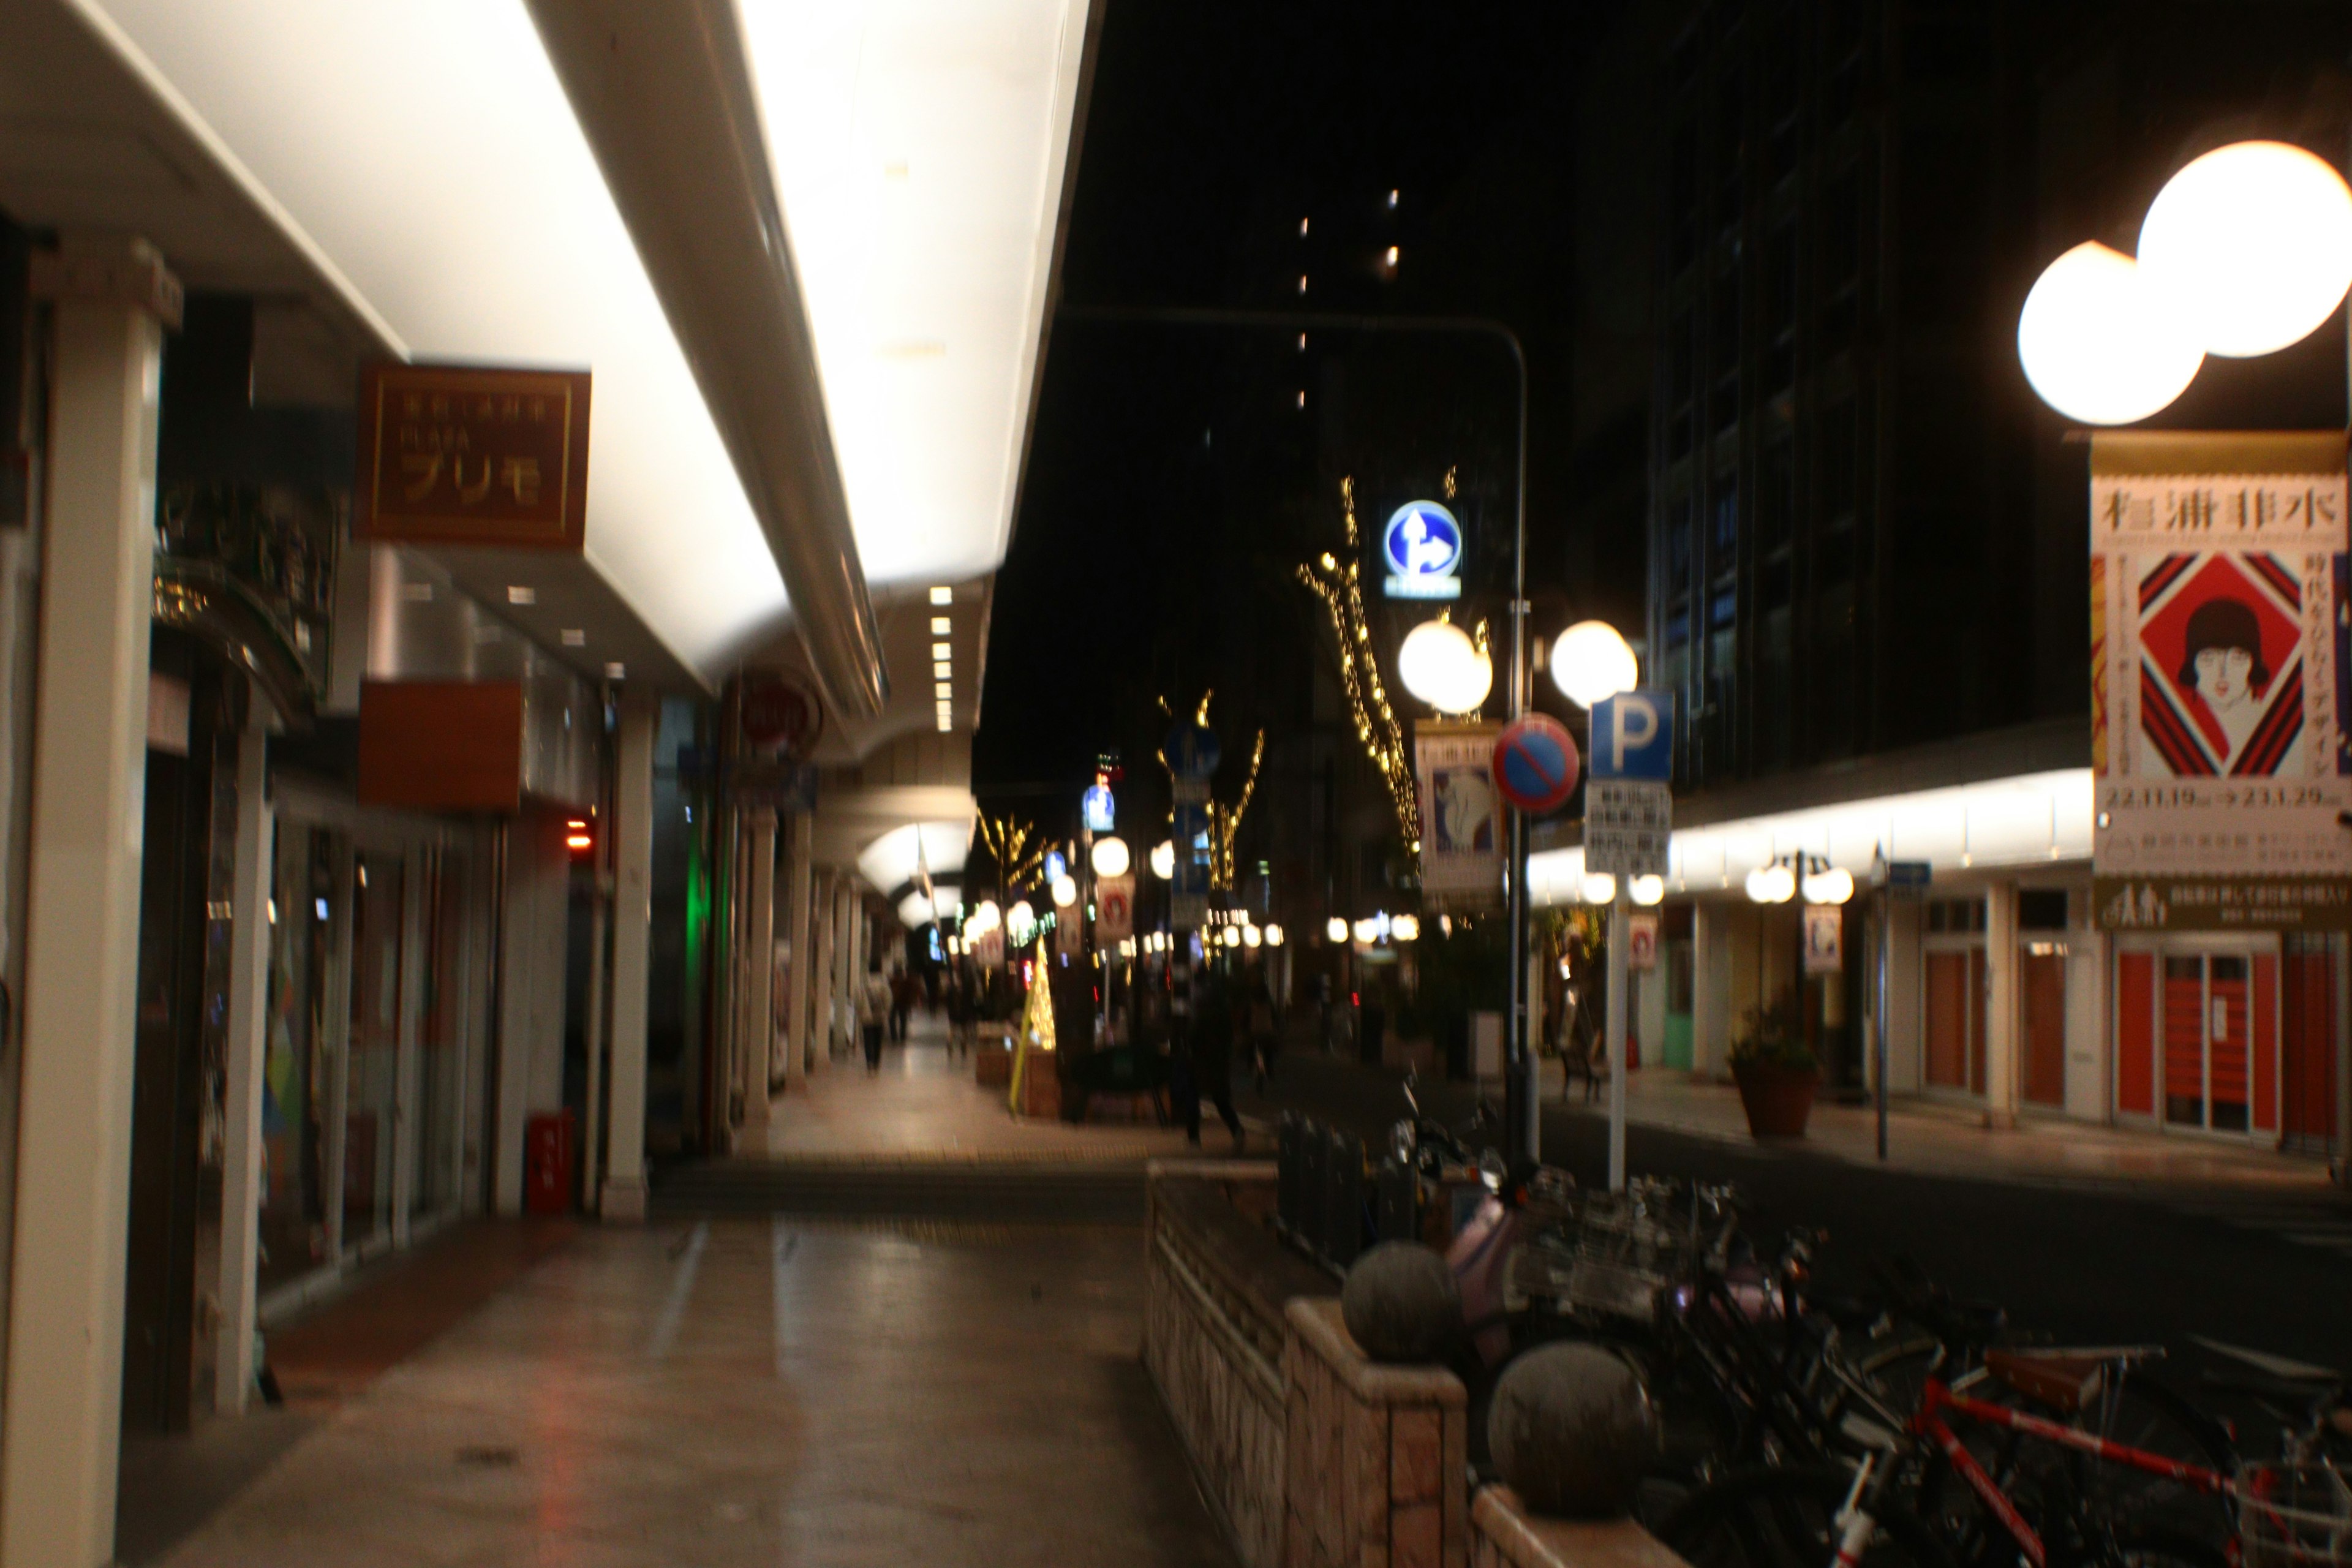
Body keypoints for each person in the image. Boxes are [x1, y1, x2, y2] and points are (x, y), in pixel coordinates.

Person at [1185, 967, 1244, 1150]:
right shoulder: (1223, 1015)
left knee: (1193, 1098)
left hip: (1202, 1061)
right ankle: (1237, 1130)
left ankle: (1194, 1138)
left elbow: (1193, 1037)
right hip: (1219, 1061)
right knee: (1221, 1100)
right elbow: (1229, 1039)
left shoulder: (1202, 1015)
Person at [858, 962, 889, 1073]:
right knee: (877, 1039)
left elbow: (858, 998)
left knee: (868, 1039)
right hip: (879, 1015)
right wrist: (886, 1011)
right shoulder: (883, 982)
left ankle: (869, 1061)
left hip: (866, 1015)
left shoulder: (864, 982)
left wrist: (859, 1012)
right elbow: (888, 999)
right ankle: (876, 1061)